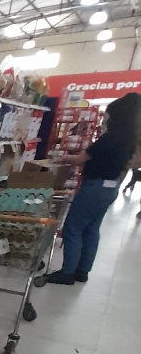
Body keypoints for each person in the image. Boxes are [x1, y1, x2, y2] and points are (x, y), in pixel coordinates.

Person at [42, 92, 140, 284]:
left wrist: (64, 158)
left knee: (72, 227)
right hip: (110, 188)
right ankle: (82, 271)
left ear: (117, 116)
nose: (105, 117)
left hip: (95, 187)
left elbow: (80, 159)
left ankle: (67, 273)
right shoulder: (130, 140)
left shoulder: (110, 138)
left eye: (108, 114)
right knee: (92, 228)